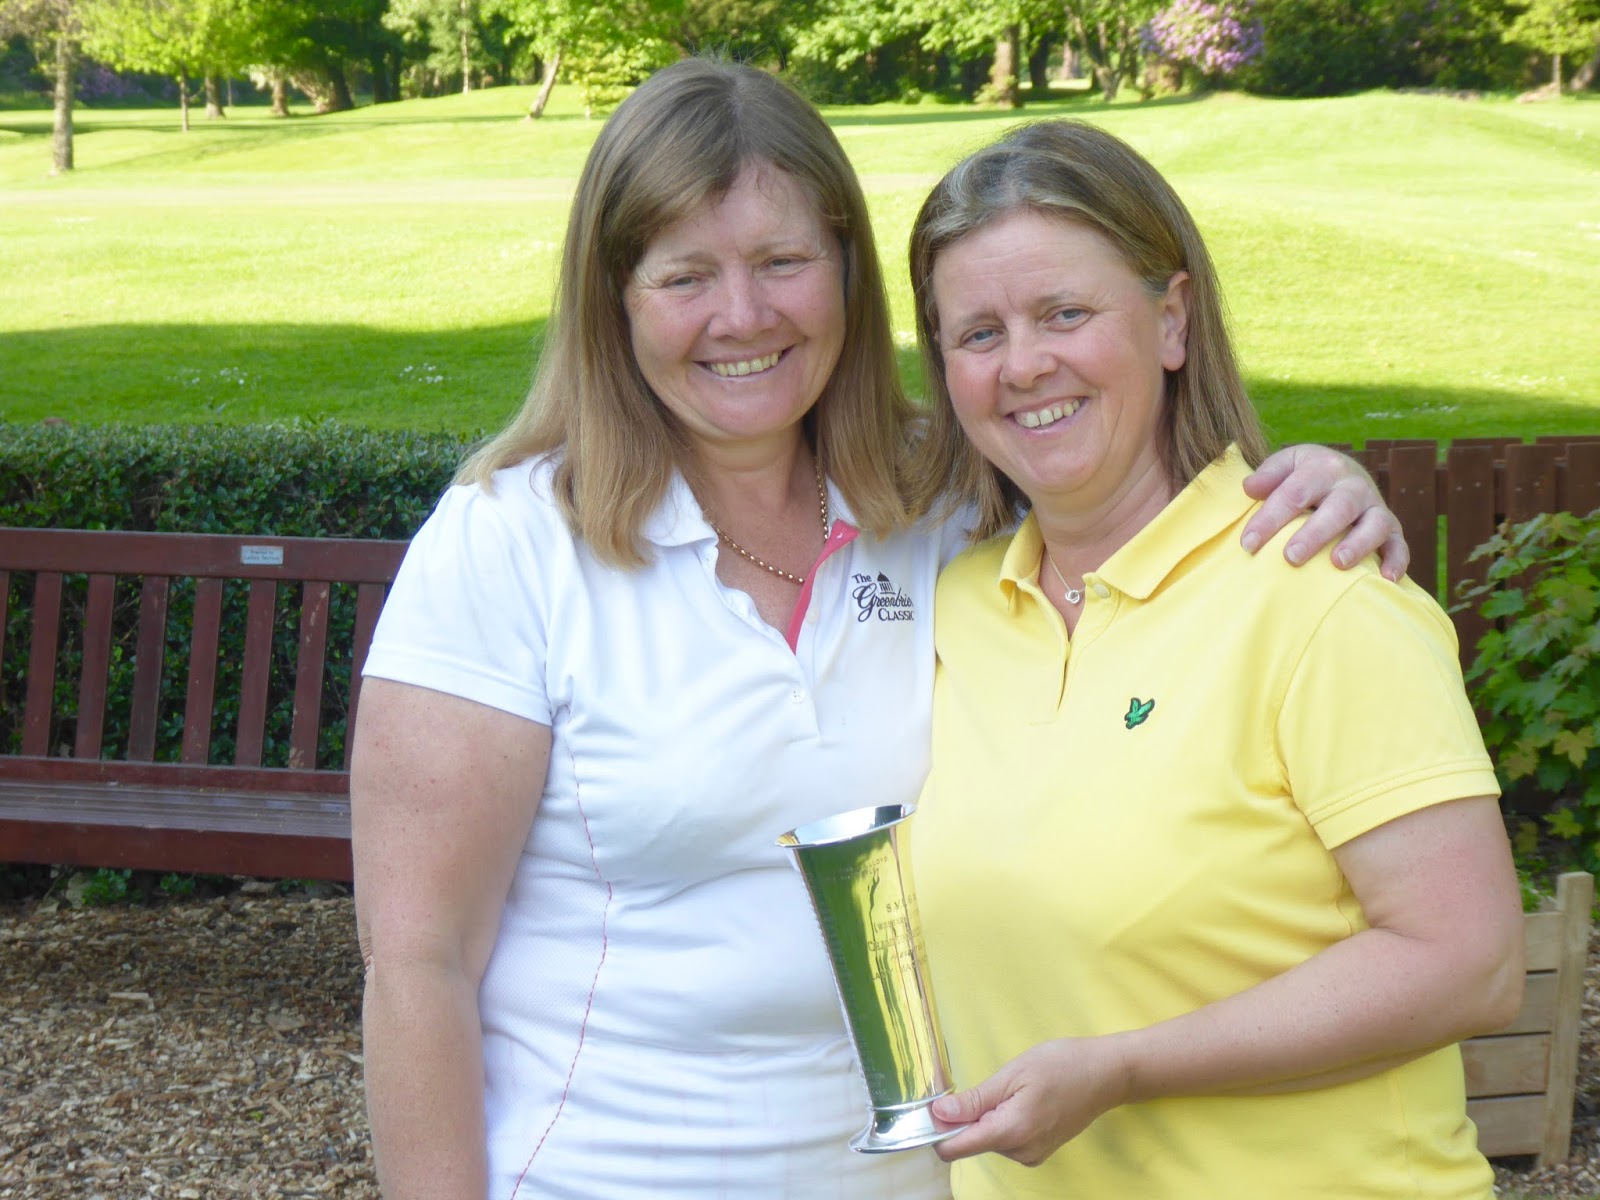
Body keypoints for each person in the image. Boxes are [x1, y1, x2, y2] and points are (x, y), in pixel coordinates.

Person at [350, 60, 1406, 1200]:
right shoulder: (509, 543)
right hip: (606, 1174)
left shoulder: (949, 505)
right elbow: (419, 963)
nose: (741, 316)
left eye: (782, 262)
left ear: (848, 274)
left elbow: (1124, 478)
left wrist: (1320, 480)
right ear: (615, 299)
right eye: (685, 275)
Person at [906, 118, 1525, 1200]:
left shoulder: (1315, 589)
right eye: (977, 333)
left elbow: (1467, 962)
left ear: (1172, 319)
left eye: (1065, 312)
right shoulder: (955, 607)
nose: (1023, 365)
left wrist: (1125, 1067)